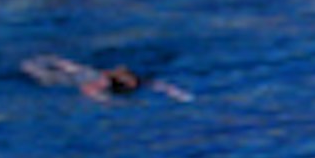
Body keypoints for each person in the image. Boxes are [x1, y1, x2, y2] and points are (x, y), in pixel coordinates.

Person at [22, 54, 191, 102]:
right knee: (52, 73)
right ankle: (41, 64)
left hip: (82, 75)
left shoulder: (138, 81)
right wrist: (117, 103)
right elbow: (88, 91)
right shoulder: (101, 81)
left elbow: (158, 85)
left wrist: (177, 94)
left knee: (71, 68)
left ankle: (51, 62)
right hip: (71, 78)